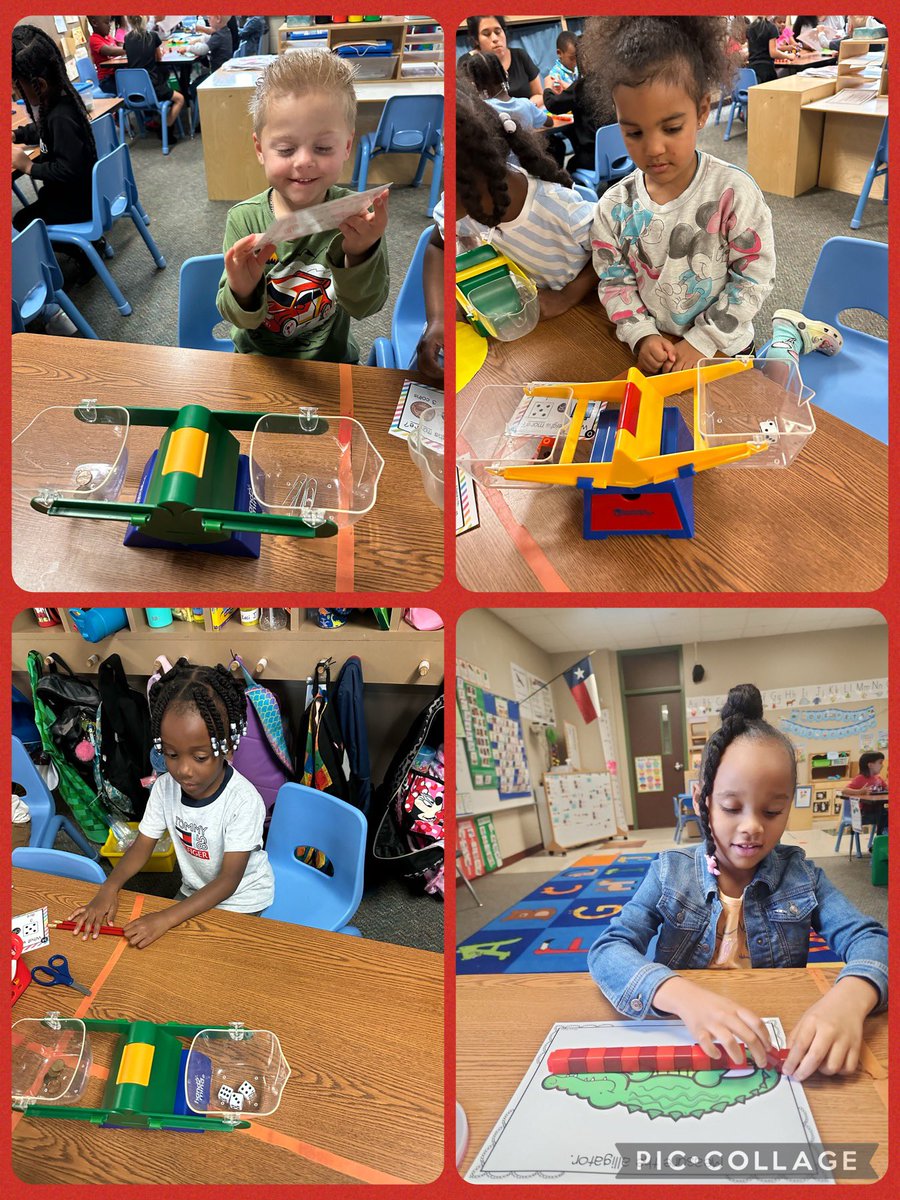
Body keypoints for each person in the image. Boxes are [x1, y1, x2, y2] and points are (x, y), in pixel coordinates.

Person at [588, 684, 887, 1084]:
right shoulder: (668, 873)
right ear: (702, 801)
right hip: (687, 1036)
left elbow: (872, 939)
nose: (751, 827)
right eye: (731, 808)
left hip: (774, 1036)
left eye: (772, 810)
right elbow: (609, 949)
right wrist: (682, 995)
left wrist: (849, 999)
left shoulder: (801, 877)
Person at [583, 15, 776, 375]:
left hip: (724, 350)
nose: (654, 148)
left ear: (702, 111)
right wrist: (640, 334)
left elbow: (753, 279)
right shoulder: (613, 208)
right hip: (659, 350)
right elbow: (614, 282)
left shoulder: (733, 193)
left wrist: (702, 341)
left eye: (671, 128)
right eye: (634, 133)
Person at [68, 660, 275, 949]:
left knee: (207, 962)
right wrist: (109, 888)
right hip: (194, 891)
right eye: (171, 754)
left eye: (199, 757)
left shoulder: (242, 800)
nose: (183, 770)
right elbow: (141, 846)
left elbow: (229, 880)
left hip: (242, 898)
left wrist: (166, 918)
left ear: (226, 746)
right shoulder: (165, 788)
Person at [216, 51, 389, 361]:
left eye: (323, 148)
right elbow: (239, 319)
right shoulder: (244, 220)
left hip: (329, 363)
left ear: (347, 146)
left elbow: (366, 307)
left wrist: (360, 252)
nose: (305, 161)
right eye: (285, 149)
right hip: (257, 363)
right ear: (260, 149)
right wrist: (242, 290)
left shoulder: (356, 218)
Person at [445, 81, 597, 321]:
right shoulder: (471, 212)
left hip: (591, 310)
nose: (443, 200)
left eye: (449, 185)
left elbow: (615, 248)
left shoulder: (558, 207)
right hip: (541, 319)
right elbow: (437, 242)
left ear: (473, 186)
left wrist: (567, 296)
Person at [11, 25, 99, 335]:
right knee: (29, 213)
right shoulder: (56, 104)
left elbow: (69, 170)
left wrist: (28, 168)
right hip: (76, 194)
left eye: (19, 86)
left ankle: (80, 255)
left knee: (21, 220)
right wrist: (18, 134)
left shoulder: (60, 115)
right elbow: (41, 131)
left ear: (38, 83)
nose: (17, 92)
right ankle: (88, 248)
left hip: (75, 201)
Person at [123, 14, 185, 141]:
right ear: (146, 19)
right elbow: (159, 58)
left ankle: (156, 122)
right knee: (180, 99)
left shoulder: (127, 38)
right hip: (153, 87)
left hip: (133, 90)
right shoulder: (152, 36)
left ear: (128, 20)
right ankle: (166, 128)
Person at [458, 50, 553, 132]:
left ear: (474, 84)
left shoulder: (480, 111)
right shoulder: (526, 104)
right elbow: (550, 122)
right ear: (505, 74)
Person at [464, 16, 545, 107]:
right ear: (476, 40)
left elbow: (539, 94)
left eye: (498, 32)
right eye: (486, 34)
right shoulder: (467, 64)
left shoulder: (520, 55)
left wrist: (527, 108)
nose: (495, 38)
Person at [844, 751, 888, 837]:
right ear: (870, 765)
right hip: (864, 813)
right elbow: (844, 791)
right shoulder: (860, 778)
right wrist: (859, 792)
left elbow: (887, 788)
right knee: (885, 816)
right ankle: (879, 840)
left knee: (887, 814)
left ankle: (883, 839)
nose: (882, 765)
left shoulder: (878, 778)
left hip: (879, 810)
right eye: (880, 763)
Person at [746, 15, 798, 83]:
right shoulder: (771, 27)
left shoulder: (750, 27)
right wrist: (789, 56)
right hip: (766, 70)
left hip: (752, 69)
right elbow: (773, 53)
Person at [87, 15, 123, 95]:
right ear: (94, 23)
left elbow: (119, 47)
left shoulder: (109, 38)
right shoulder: (94, 39)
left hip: (115, 75)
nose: (110, 25)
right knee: (127, 85)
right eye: (106, 23)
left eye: (110, 22)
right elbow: (109, 51)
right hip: (106, 80)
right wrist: (128, 49)